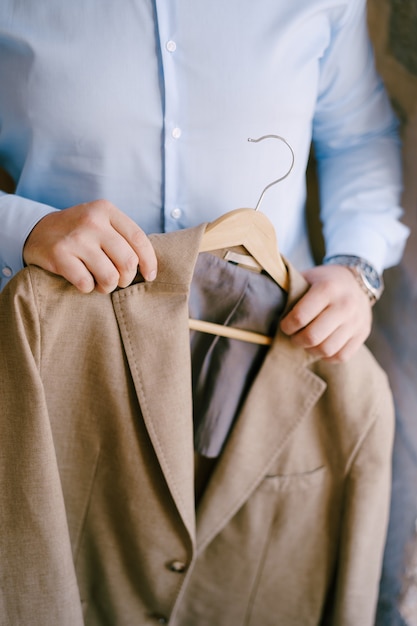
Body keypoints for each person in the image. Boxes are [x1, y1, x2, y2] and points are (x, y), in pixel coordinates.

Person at [0, 0, 409, 364]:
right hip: (59, 351)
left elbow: (358, 138)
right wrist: (25, 228)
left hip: (274, 349)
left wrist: (357, 267)